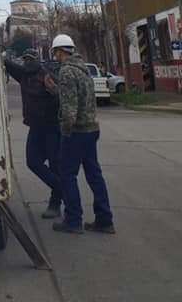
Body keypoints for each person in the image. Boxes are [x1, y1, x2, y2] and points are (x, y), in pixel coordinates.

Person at [46, 34, 115, 235]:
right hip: (91, 128)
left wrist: (65, 131)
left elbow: (70, 107)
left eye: (56, 53)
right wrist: (55, 89)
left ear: (60, 51)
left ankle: (73, 220)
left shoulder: (66, 71)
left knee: (67, 175)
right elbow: (78, 97)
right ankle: (105, 219)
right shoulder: (83, 69)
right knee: (94, 175)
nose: (56, 57)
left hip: (76, 131)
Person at [4, 47, 62, 218]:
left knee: (55, 166)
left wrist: (53, 91)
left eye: (31, 59)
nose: (28, 62)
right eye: (26, 59)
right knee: (32, 162)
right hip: (36, 127)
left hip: (52, 127)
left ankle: (56, 203)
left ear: (38, 60)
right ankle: (62, 188)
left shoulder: (47, 75)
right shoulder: (23, 75)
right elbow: (8, 64)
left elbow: (61, 97)